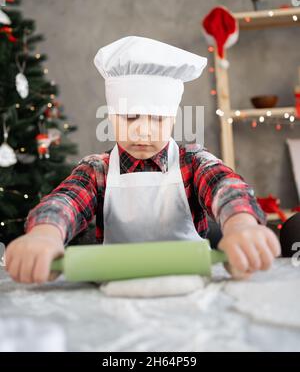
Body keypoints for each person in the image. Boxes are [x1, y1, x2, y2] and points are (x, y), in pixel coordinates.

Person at [5, 36, 281, 284]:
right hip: (114, 289)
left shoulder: (192, 162)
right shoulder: (97, 170)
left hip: (189, 288)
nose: (143, 130)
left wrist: (241, 225)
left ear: (172, 119)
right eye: (129, 117)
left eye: (158, 118)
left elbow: (225, 187)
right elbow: (66, 200)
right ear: (111, 117)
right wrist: (45, 234)